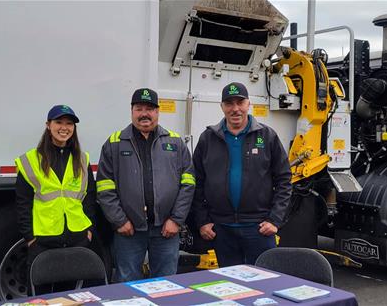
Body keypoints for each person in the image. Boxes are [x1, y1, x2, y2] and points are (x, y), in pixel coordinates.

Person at [97, 88, 195, 281]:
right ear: (132, 111)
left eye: (149, 108)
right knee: (128, 284)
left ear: (158, 112)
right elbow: (104, 187)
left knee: (166, 284)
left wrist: (176, 220)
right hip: (129, 231)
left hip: (166, 230)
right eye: (139, 108)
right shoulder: (115, 143)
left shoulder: (175, 143)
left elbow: (188, 184)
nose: (144, 114)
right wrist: (120, 221)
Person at [192, 82, 292, 267]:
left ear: (248, 104)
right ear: (222, 107)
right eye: (229, 103)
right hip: (222, 229)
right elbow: (196, 182)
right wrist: (202, 221)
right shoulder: (208, 138)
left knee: (264, 283)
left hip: (259, 229)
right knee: (230, 286)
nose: (235, 109)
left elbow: (284, 180)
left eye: (240, 102)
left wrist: (275, 219)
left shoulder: (267, 136)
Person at [15, 105, 96, 286]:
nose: (64, 127)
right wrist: (30, 238)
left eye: (69, 123)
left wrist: (89, 231)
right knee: (40, 298)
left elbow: (89, 197)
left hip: (77, 239)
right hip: (42, 241)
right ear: (48, 125)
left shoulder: (82, 159)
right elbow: (23, 203)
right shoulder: (31, 160)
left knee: (68, 297)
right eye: (58, 122)